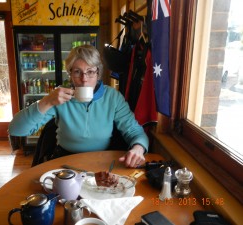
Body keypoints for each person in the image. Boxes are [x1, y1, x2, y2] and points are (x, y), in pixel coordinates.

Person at [9, 45, 149, 168]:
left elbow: (135, 131)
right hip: (64, 160)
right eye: (77, 72)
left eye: (90, 71)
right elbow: (16, 129)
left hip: (102, 161)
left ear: (98, 73)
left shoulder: (112, 97)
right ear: (70, 74)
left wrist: (138, 148)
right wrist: (47, 101)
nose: (84, 78)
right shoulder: (58, 97)